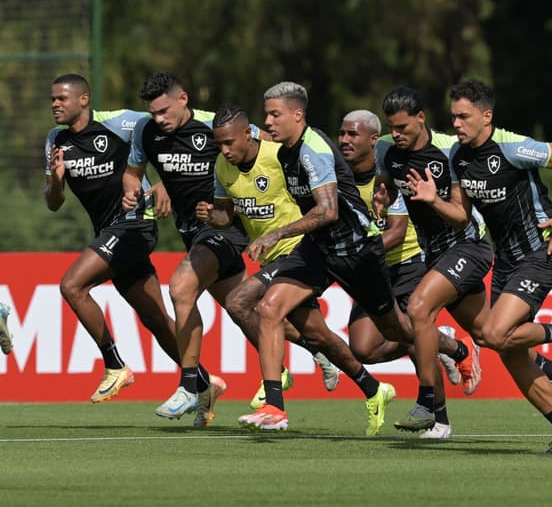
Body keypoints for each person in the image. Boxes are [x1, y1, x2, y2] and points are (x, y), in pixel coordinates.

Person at [123, 73, 337, 427]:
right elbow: (132, 173)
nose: (158, 118)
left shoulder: (215, 127)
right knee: (244, 310)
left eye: (164, 110)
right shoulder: (146, 132)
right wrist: (138, 188)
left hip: (228, 227)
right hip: (193, 233)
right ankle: (319, 349)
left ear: (183, 99)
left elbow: (271, 146)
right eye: (153, 112)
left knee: (180, 289)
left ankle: (191, 385)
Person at [411, 79, 552, 455]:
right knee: (507, 349)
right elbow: (461, 216)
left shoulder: (512, 146)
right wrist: (432, 201)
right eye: (453, 116)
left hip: (539, 252)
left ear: (486, 116)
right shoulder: (457, 157)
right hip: (507, 261)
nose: (456, 123)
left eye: (464, 116)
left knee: (490, 334)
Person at [204, 98, 401, 436]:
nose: (223, 150)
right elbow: (225, 214)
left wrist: (280, 232)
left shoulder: (277, 155)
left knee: (244, 301)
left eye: (228, 142)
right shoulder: (223, 168)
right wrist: (213, 216)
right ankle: (372, 388)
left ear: (247, 135)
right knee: (318, 334)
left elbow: (325, 199)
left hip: (298, 247)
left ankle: (276, 393)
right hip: (294, 253)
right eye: (218, 143)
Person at [43, 73, 180, 403]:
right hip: (110, 233)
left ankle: (115, 365)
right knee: (156, 319)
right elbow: (53, 203)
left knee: (72, 286)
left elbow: (175, 132)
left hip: (135, 223)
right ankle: (202, 381)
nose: (55, 105)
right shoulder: (55, 139)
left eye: (62, 98)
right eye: (52, 100)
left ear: (83, 100)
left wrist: (164, 183)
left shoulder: (122, 123)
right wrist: (58, 181)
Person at [339, 109, 467, 439]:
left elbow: (396, 232)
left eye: (353, 135)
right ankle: (450, 346)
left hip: (407, 263)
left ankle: (439, 419)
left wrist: (354, 251)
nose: (345, 140)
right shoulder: (338, 175)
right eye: (342, 134)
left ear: (373, 141)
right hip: (372, 269)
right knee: (363, 349)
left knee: (414, 335)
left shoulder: (390, 167)